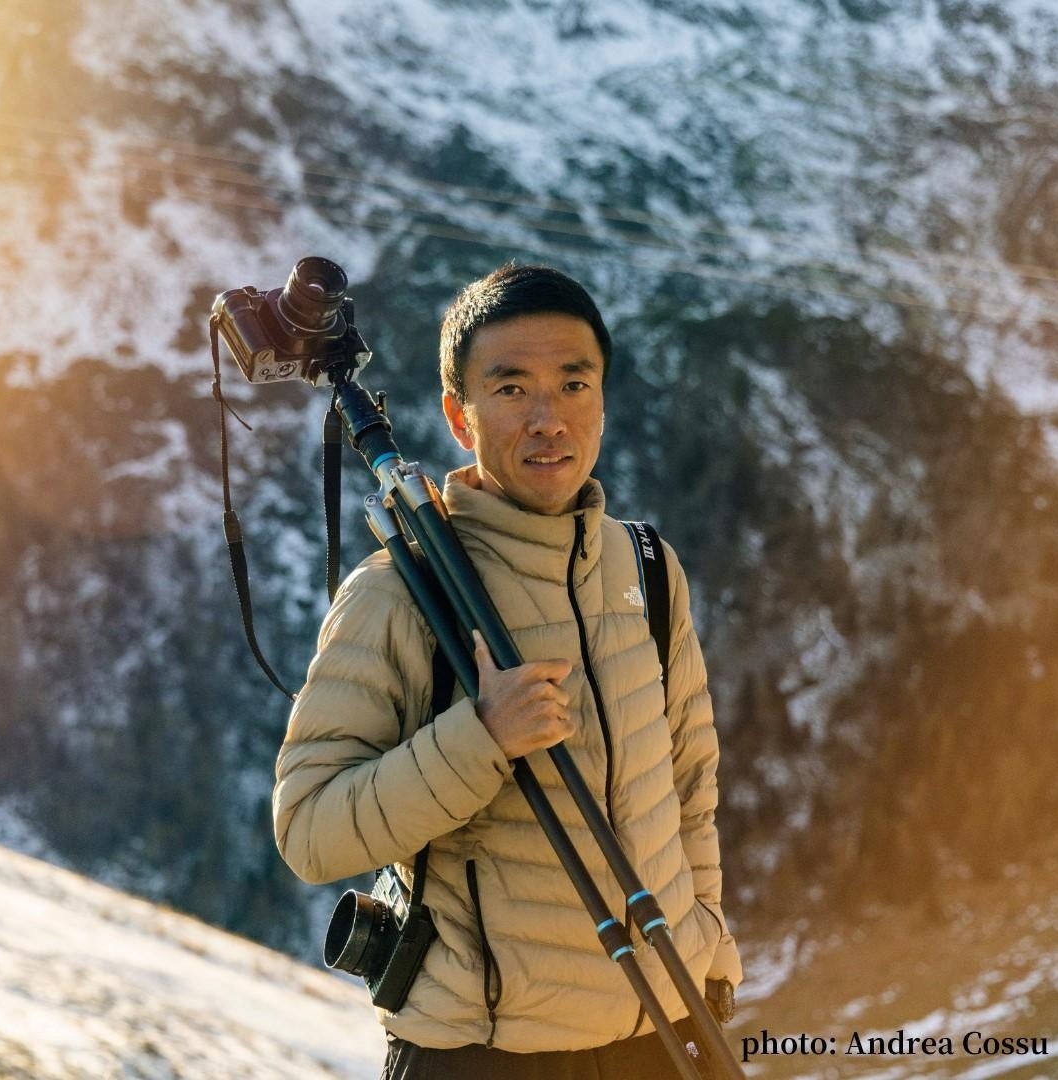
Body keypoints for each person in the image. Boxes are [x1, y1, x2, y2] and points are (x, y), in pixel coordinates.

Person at [273, 264, 742, 1078]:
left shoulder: (648, 569)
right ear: (460, 415)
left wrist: (707, 946)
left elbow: (690, 780)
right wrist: (482, 737)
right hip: (482, 1055)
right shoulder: (400, 593)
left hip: (662, 1029)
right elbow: (309, 829)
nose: (547, 418)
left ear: (604, 399)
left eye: (572, 383)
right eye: (512, 388)